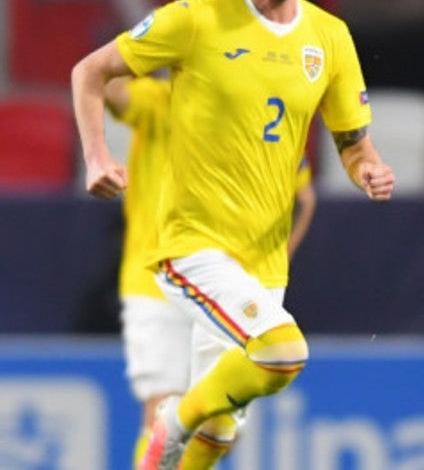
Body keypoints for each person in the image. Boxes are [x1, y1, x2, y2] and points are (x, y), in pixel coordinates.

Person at [71, 0, 394, 470]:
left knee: (221, 427)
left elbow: (353, 143)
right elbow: (91, 71)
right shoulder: (196, 20)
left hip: (262, 262)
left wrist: (367, 170)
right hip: (193, 247)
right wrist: (97, 153)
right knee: (283, 352)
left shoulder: (330, 38)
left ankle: (182, 430)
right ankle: (172, 420)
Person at [103, 74, 318, 468]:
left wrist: (273, 258)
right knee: (161, 411)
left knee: (219, 429)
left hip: (223, 280)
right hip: (154, 276)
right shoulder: (159, 99)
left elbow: (302, 197)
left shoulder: (256, 112)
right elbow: (111, 91)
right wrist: (128, 58)